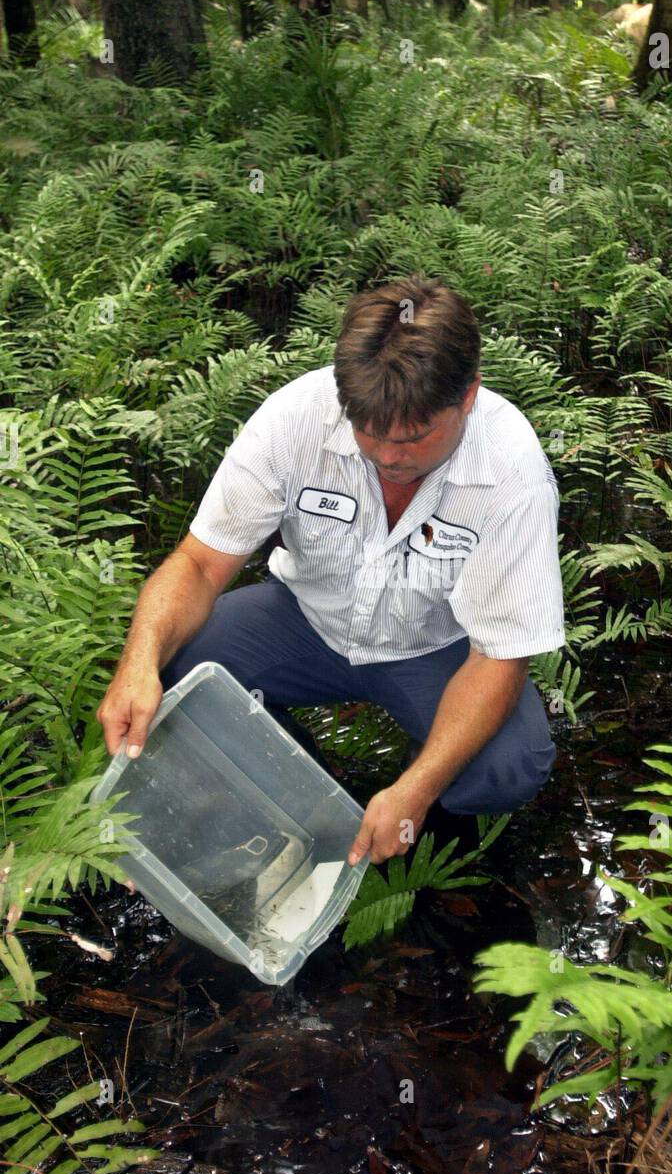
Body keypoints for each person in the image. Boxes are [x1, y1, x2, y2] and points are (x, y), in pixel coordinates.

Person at [96, 276, 565, 866]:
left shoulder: (511, 472)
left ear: (467, 396)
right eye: (370, 433)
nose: (391, 456)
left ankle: (418, 825)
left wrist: (415, 791)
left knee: (506, 768)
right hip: (305, 618)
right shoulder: (296, 419)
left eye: (416, 436)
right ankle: (305, 794)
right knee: (183, 670)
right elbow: (198, 564)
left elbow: (499, 656)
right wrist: (137, 663)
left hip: (435, 649)